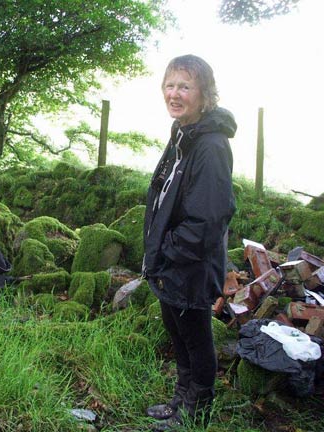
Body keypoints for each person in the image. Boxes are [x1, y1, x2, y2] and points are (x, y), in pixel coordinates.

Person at [142, 55, 236, 431]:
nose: (174, 94)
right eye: (170, 85)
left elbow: (208, 220)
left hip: (190, 266)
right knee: (178, 336)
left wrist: (166, 253)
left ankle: (195, 414)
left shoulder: (210, 146)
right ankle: (180, 401)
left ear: (204, 95)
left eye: (185, 86)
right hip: (171, 262)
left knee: (196, 341)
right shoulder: (183, 134)